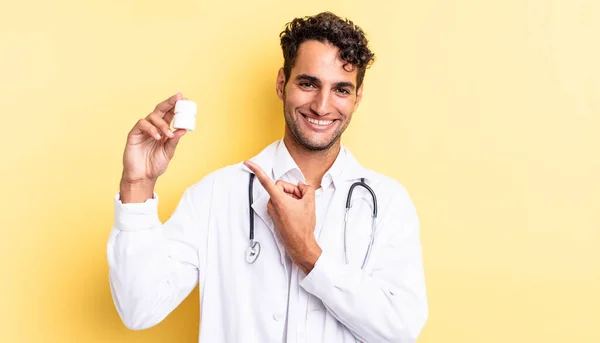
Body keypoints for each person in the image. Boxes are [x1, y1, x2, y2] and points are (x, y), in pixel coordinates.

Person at [108, 11, 428, 343]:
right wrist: (137, 185)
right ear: (281, 83)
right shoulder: (215, 195)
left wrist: (308, 255)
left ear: (357, 98)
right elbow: (138, 309)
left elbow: (401, 330)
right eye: (308, 83)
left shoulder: (387, 203)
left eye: (341, 90)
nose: (321, 105)